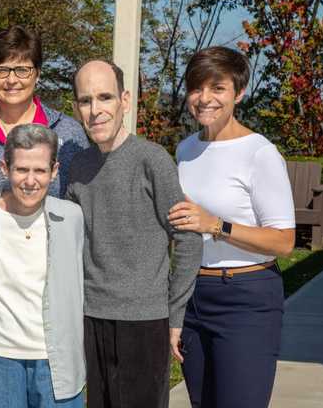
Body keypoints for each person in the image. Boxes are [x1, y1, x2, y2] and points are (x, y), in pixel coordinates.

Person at [66, 60, 203, 408]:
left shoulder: (152, 160)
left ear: (125, 101)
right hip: (89, 318)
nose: (95, 110)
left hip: (144, 322)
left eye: (105, 97)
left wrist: (175, 314)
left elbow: (187, 237)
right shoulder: (78, 167)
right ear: (76, 108)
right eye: (85, 101)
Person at [168, 46, 296, 408]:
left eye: (217, 88)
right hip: (194, 295)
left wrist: (217, 224)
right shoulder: (185, 150)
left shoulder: (259, 153)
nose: (204, 98)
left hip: (246, 299)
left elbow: (284, 242)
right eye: (196, 88)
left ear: (239, 93)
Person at [0, 123, 86, 408]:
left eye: (40, 170)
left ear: (55, 170)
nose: (30, 180)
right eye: (21, 169)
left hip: (55, 356)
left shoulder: (71, 217)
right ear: (4, 167)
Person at [0, 25, 89, 197]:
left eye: (22, 70)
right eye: (1, 70)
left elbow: (84, 199)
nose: (11, 80)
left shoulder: (68, 132)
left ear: (37, 74)